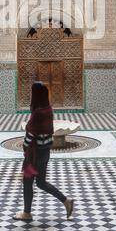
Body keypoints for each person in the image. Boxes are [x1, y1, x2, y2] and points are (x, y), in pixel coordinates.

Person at [13, 81, 74, 221]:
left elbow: (30, 136)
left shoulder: (38, 113)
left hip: (33, 156)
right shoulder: (48, 109)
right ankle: (66, 201)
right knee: (40, 182)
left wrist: (25, 147)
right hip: (44, 153)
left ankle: (26, 213)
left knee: (28, 182)